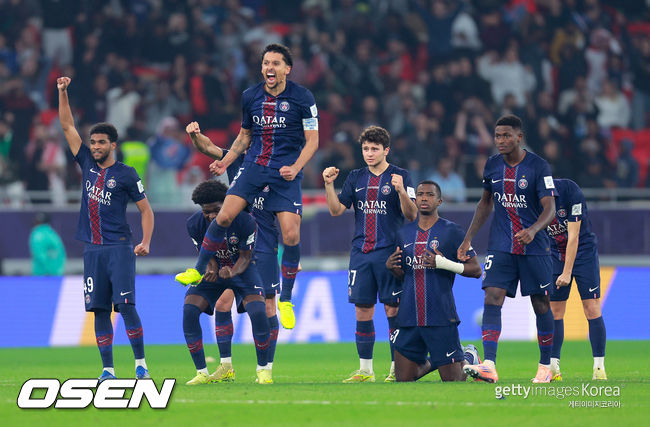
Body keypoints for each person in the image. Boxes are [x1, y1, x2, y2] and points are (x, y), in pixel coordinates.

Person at [196, 43, 319, 330]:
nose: (269, 68)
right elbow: (244, 137)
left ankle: (286, 298)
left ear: (287, 69)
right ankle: (197, 269)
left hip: (285, 173)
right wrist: (226, 162)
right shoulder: (250, 96)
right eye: (266, 63)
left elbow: (312, 141)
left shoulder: (303, 97)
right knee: (223, 217)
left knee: (291, 235)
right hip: (254, 167)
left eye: (275, 63)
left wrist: (295, 168)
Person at [57, 76, 154, 381]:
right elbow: (67, 127)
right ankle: (108, 370)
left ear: (113, 145)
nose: (96, 147)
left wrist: (146, 241)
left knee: (125, 306)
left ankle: (141, 365)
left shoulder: (126, 174)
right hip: (92, 250)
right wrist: (62, 92)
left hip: (119, 249)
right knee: (99, 310)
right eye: (93, 142)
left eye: (101, 142)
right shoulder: (86, 162)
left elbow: (146, 210)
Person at [458, 114, 557, 384]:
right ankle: (489, 364)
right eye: (497, 135)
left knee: (540, 303)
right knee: (492, 297)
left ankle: (545, 366)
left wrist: (533, 230)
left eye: (506, 135)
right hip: (501, 245)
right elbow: (485, 203)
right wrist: (467, 239)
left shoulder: (538, 166)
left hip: (535, 247)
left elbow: (550, 208)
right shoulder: (492, 165)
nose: (500, 140)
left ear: (519, 137)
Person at [184, 121, 282, 382]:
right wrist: (195, 135)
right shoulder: (238, 159)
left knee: (267, 307)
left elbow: (288, 208)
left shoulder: (280, 166)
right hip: (230, 235)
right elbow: (208, 147)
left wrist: (293, 254)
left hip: (264, 241)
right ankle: (226, 366)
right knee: (222, 302)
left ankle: (266, 368)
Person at [322, 125, 417, 383]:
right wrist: (329, 185)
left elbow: (412, 215)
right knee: (362, 310)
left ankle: (397, 368)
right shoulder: (355, 177)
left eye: (375, 149)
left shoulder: (401, 176)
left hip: (390, 253)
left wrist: (401, 191)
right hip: (361, 252)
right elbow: (336, 211)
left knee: (392, 310)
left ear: (386, 150)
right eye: (365, 148)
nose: (369, 153)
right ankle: (366, 370)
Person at [177, 180, 273, 385]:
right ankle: (202, 372)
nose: (212, 216)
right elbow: (205, 253)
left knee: (258, 311)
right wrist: (211, 268)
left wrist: (232, 271)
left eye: (216, 210)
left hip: (242, 270)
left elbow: (246, 256)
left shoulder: (245, 220)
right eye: (206, 212)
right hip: (216, 272)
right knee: (189, 310)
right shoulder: (193, 224)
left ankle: (263, 370)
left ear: (227, 203)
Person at [386, 181, 482, 381]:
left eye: (430, 195)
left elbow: (476, 270)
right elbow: (405, 276)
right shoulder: (403, 234)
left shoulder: (453, 232)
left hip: (440, 316)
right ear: (415, 199)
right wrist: (393, 268)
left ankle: (469, 356)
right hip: (409, 317)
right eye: (420, 194)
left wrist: (444, 263)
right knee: (404, 379)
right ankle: (440, 360)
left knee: (453, 381)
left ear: (439, 201)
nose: (424, 198)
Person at [547, 178, 607, 381]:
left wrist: (567, 272)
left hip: (583, 253)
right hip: (555, 254)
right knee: (555, 310)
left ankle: (599, 368)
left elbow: (574, 237)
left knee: (591, 307)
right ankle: (553, 367)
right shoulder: (531, 197)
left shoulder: (570, 191)